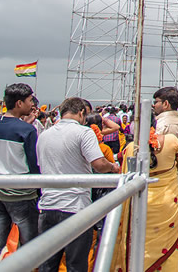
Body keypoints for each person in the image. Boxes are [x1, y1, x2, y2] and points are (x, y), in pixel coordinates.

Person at [36, 97, 118, 272]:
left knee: (47, 265)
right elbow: (99, 164)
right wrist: (113, 167)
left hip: (47, 207)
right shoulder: (83, 132)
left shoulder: (44, 134)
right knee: (76, 264)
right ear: (81, 113)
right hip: (75, 207)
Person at [113, 114, 178, 271]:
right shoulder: (172, 141)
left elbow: (122, 171)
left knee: (138, 242)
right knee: (169, 245)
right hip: (166, 203)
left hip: (140, 203)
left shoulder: (130, 149)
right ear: (155, 123)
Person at [0, 83, 40, 265]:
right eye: (29, 100)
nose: (32, 105)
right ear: (18, 103)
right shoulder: (27, 130)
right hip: (21, 194)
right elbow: (33, 164)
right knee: (28, 243)